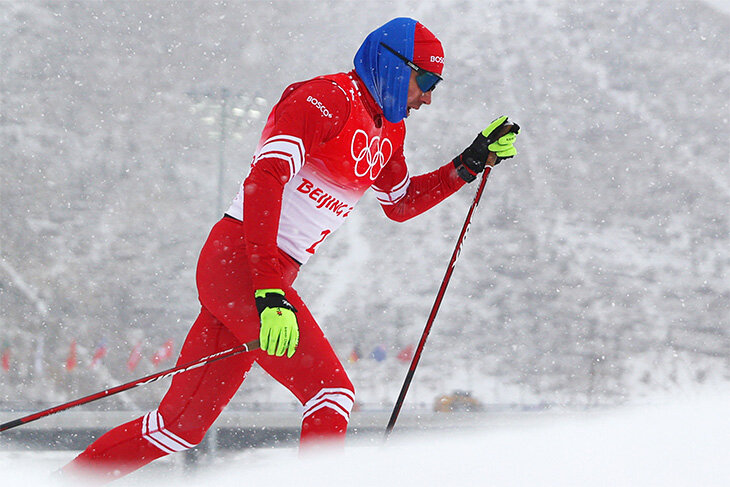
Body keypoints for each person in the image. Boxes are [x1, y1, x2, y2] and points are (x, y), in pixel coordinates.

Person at [61, 17, 519, 482]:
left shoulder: (390, 131)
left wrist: (470, 161)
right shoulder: (324, 99)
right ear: (395, 67)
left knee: (176, 428)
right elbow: (266, 180)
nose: (428, 97)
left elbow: (400, 205)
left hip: (265, 273)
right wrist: (269, 292)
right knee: (331, 393)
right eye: (425, 81)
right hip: (240, 259)